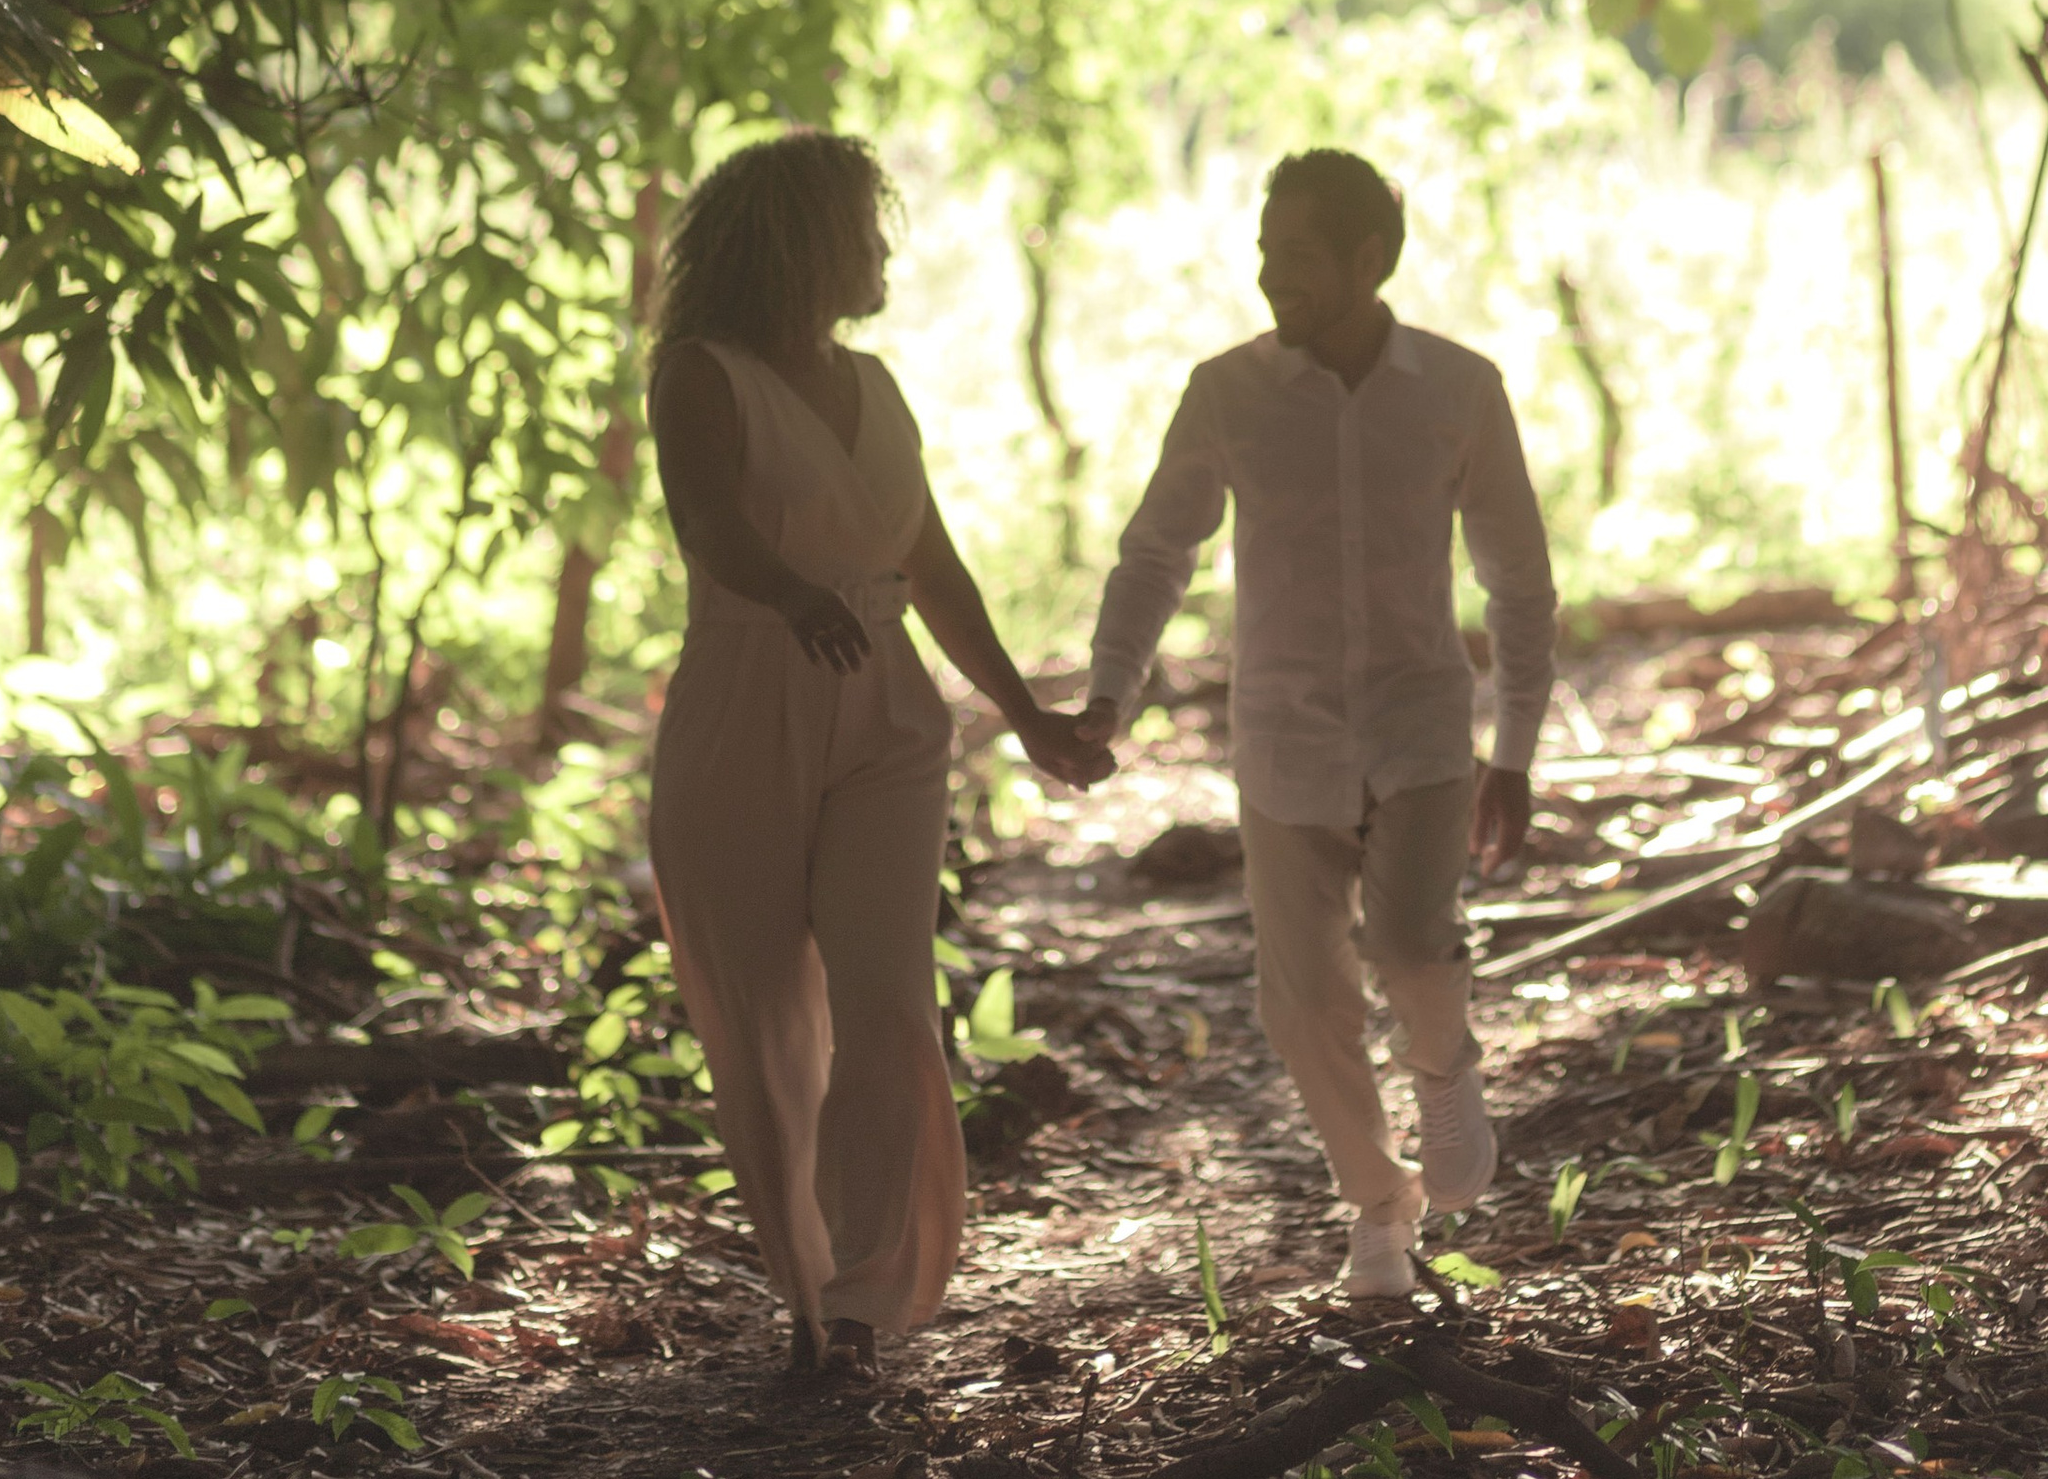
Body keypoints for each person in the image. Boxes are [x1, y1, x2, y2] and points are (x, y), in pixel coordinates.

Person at [645, 128, 1108, 1380]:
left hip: (890, 719)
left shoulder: (882, 389)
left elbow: (932, 565)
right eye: (864, 228)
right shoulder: (701, 374)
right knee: (765, 1029)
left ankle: (858, 1302)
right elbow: (709, 529)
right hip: (747, 704)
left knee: (889, 1004)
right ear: (802, 246)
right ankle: (800, 1304)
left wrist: (1025, 714)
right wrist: (793, 595)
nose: (882, 250)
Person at [1078, 150, 1556, 1303]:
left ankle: (1446, 1072)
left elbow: (1519, 581)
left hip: (1422, 729)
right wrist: (1109, 692)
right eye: (1262, 249)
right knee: (1300, 1006)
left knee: (1406, 946)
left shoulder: (1458, 389)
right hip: (1283, 738)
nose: (1267, 275)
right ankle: (1377, 1209)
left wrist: (1518, 751)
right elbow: (1157, 551)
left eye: (1294, 254)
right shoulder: (1226, 392)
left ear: (1368, 260)